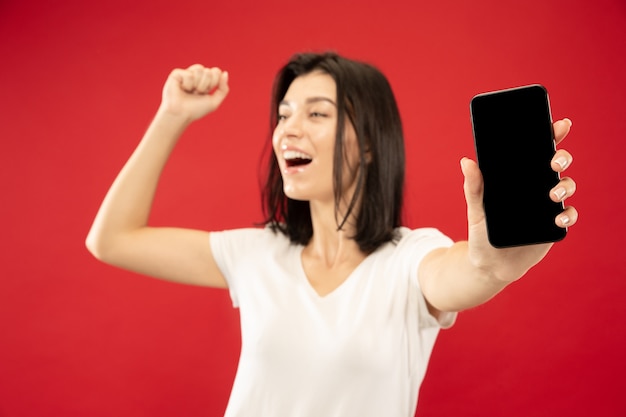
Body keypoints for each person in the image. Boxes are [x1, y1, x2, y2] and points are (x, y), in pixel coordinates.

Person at [86, 52, 578, 416]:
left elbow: (468, 270)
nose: (287, 131)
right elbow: (111, 239)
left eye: (315, 113)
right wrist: (173, 115)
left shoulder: (409, 259)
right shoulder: (258, 254)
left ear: (367, 144)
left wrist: (494, 263)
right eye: (283, 115)